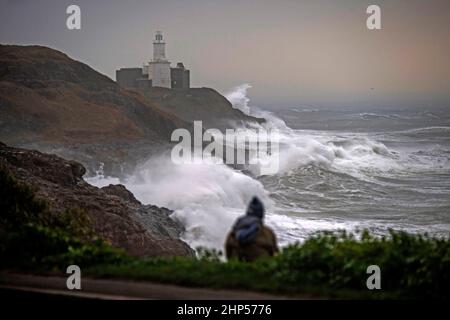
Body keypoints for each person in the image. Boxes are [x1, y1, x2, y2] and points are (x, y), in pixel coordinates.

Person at [225, 196, 279, 262]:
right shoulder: (267, 232)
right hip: (260, 269)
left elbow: (228, 252)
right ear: (261, 214)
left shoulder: (234, 231)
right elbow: (275, 254)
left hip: (237, 268)